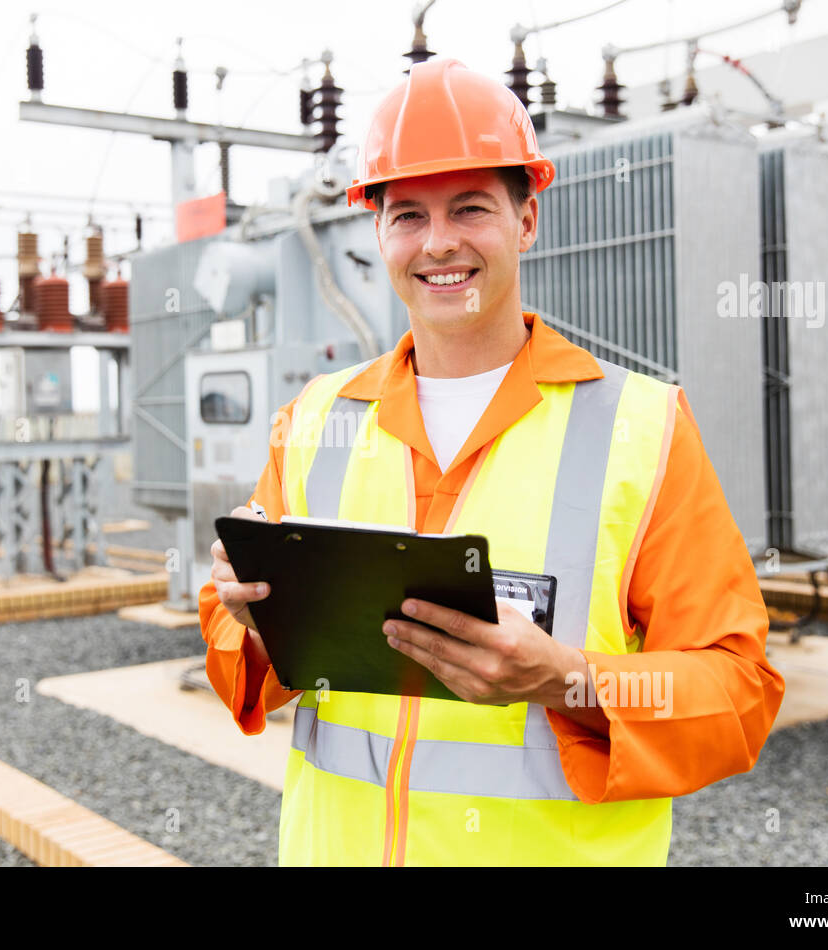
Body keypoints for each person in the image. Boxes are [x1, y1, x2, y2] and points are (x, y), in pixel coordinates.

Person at [198, 58, 784, 866]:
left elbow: (737, 694)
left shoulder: (641, 427)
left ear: (527, 219)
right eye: (407, 215)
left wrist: (564, 679)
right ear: (377, 234)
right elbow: (244, 664)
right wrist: (255, 619)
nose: (438, 243)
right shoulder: (313, 421)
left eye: (470, 207)